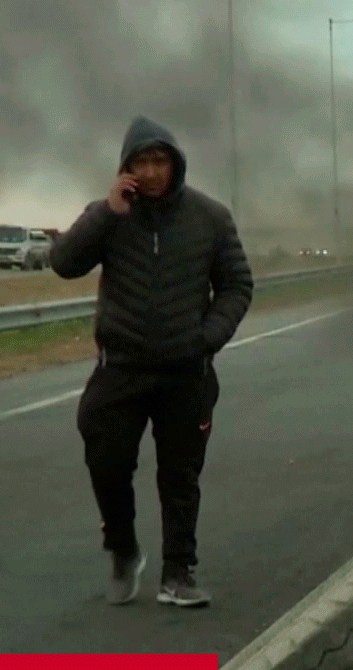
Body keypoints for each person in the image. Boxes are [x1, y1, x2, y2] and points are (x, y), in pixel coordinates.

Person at [52, 116, 254, 609]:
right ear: (126, 169)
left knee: (180, 475)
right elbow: (63, 263)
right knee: (107, 460)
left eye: (159, 160)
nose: (150, 171)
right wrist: (107, 212)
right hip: (120, 367)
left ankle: (178, 572)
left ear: (175, 163)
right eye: (140, 161)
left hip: (187, 370)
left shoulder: (210, 216)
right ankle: (123, 549)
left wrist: (207, 338)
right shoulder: (109, 215)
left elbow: (237, 285)